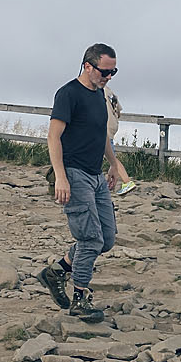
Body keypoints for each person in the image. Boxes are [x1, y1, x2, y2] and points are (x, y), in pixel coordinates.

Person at [38, 42, 122, 324]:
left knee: (106, 240)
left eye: (113, 72)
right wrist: (60, 176)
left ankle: (57, 271)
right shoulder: (68, 94)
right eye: (104, 72)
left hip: (96, 175)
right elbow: (53, 137)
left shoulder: (100, 95)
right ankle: (81, 298)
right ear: (88, 65)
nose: (108, 77)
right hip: (73, 174)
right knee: (90, 239)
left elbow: (102, 136)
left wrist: (113, 164)